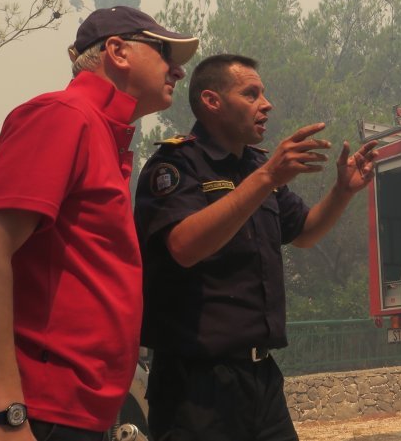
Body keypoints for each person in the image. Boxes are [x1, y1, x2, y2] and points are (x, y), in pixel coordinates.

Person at [0, 6, 199, 441]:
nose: (176, 69)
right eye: (162, 50)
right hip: (33, 414)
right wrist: (7, 415)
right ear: (117, 50)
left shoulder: (103, 133)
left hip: (71, 415)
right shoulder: (63, 115)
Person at [134, 54, 378, 441]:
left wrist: (341, 192)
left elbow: (304, 233)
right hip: (195, 388)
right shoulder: (176, 164)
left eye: (263, 93)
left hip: (261, 379)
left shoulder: (255, 167)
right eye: (251, 94)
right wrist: (266, 177)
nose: (267, 104)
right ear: (212, 102)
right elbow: (183, 246)